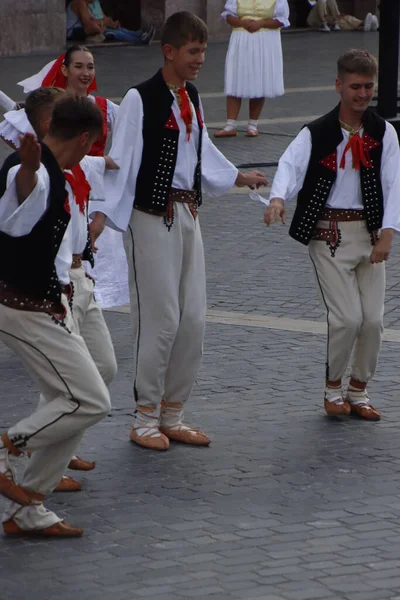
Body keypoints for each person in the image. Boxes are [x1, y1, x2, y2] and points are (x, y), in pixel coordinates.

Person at [89, 11, 268, 451]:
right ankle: (144, 415)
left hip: (189, 215)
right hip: (152, 216)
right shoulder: (140, 97)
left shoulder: (190, 95)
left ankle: (173, 412)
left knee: (193, 319)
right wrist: (99, 223)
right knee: (161, 317)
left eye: (204, 50)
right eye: (193, 51)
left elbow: (200, 148)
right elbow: (124, 160)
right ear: (169, 51)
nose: (201, 59)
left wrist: (237, 177)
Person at [264, 49, 400, 421]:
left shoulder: (384, 132)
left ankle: (359, 388)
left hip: (370, 233)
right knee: (345, 319)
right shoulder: (317, 131)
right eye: (355, 86)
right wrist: (277, 198)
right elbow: (290, 164)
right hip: (329, 235)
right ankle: (333, 387)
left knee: (373, 320)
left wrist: (388, 233)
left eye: (368, 86)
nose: (362, 94)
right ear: (339, 85)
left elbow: (394, 183)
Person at [0, 96, 111, 537]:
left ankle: (29, 510)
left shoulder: (53, 169)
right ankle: (6, 447)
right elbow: (20, 203)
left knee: (74, 401)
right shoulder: (32, 168)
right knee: (90, 401)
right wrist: (28, 168)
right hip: (22, 308)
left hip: (46, 301)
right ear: (84, 138)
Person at [7, 45, 129, 309]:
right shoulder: (49, 108)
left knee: (92, 284)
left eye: (90, 66)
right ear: (64, 69)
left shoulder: (105, 108)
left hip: (93, 200)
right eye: (78, 66)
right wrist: (101, 161)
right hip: (59, 197)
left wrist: (103, 214)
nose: (85, 73)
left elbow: (128, 147)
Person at [214, 0, 290, 139]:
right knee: (236, 78)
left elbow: (282, 20)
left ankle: (252, 125)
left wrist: (261, 23)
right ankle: (230, 125)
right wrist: (242, 23)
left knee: (259, 78)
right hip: (241, 37)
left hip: (265, 39)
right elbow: (229, 16)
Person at [66, 0, 155, 44]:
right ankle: (140, 39)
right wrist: (102, 24)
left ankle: (141, 34)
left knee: (119, 29)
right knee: (114, 32)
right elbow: (89, 25)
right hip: (74, 32)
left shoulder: (88, 3)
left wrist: (109, 23)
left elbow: (98, 20)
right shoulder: (79, 3)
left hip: (87, 29)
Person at [307, 0, 379, 32]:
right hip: (313, 18)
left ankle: (363, 25)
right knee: (321, 0)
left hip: (324, 15)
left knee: (344, 19)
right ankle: (324, 23)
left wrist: (337, 15)